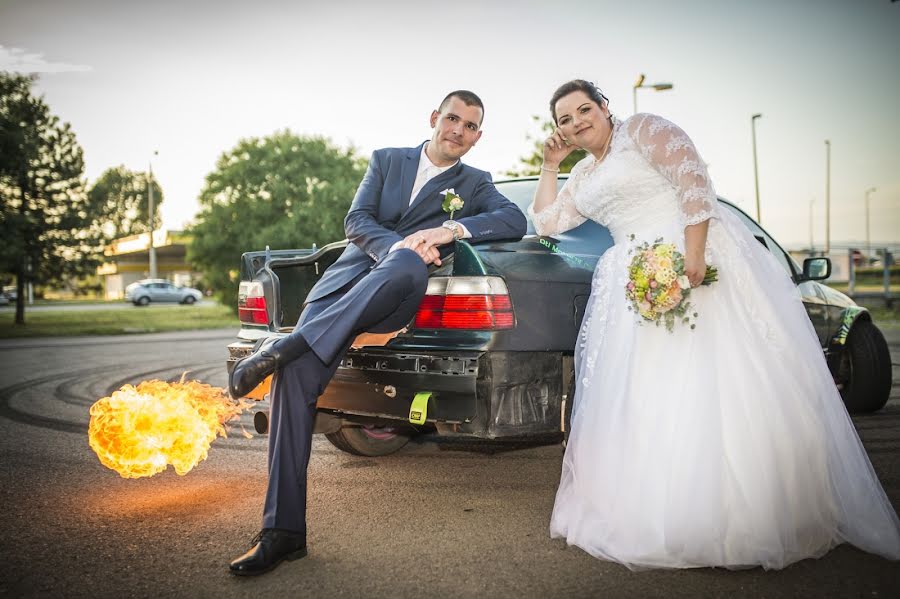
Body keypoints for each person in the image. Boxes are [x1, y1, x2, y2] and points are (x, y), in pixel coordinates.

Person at [532, 79, 900, 570]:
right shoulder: (580, 174)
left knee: (711, 377)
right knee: (645, 391)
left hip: (685, 258)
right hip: (631, 284)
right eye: (564, 119)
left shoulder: (643, 130)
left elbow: (693, 182)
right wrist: (550, 166)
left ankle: (740, 514)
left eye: (584, 109)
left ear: (604, 107)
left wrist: (694, 257)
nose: (577, 121)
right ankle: (656, 507)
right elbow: (546, 223)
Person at [227, 90, 527, 576]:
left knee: (409, 263)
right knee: (295, 382)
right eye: (452, 118)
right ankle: (282, 532)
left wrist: (448, 231)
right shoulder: (387, 160)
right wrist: (399, 245)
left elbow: (513, 218)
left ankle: (283, 346)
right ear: (435, 118)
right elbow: (357, 220)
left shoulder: (475, 183)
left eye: (470, 126)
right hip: (345, 285)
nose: (458, 130)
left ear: (477, 137)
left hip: (399, 296)